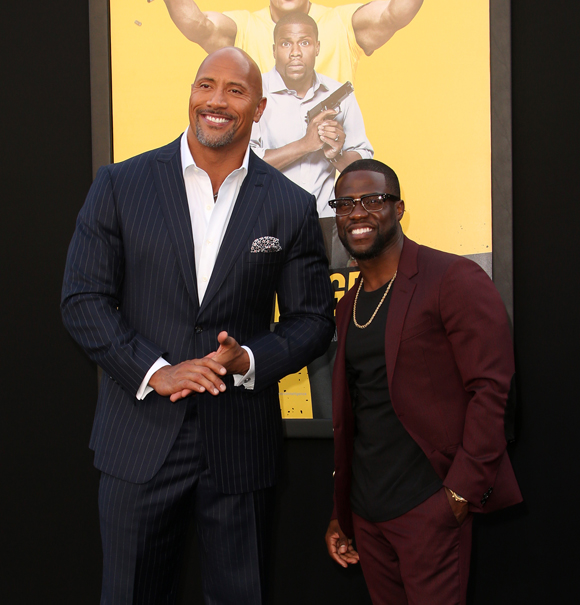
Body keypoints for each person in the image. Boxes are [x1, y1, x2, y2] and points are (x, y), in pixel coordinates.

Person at [62, 47, 334, 604]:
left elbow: (311, 321)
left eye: (234, 91)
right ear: (190, 94)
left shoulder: (290, 204)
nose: (216, 100)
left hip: (239, 442)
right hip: (137, 437)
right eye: (205, 85)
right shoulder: (121, 183)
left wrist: (250, 360)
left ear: (259, 109)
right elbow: (83, 299)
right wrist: (154, 370)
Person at [324, 159, 522, 605]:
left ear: (399, 210)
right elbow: (358, 414)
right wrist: (344, 511)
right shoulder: (349, 304)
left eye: (373, 200)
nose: (358, 212)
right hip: (367, 513)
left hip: (428, 507)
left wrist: (458, 492)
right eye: (345, 203)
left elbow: (492, 389)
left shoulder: (451, 278)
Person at [250, 11, 373, 220]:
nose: (295, 52)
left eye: (304, 43)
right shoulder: (252, 93)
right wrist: (305, 144)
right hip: (267, 221)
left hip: (324, 223)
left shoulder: (341, 96)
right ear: (273, 50)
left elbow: (363, 170)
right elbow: (242, 166)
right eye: (286, 44)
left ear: (317, 48)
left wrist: (336, 154)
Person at [163, 0, 424, 83]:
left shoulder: (339, 23)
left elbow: (394, 12)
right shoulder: (245, 27)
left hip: (326, 194)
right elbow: (197, 24)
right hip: (264, 187)